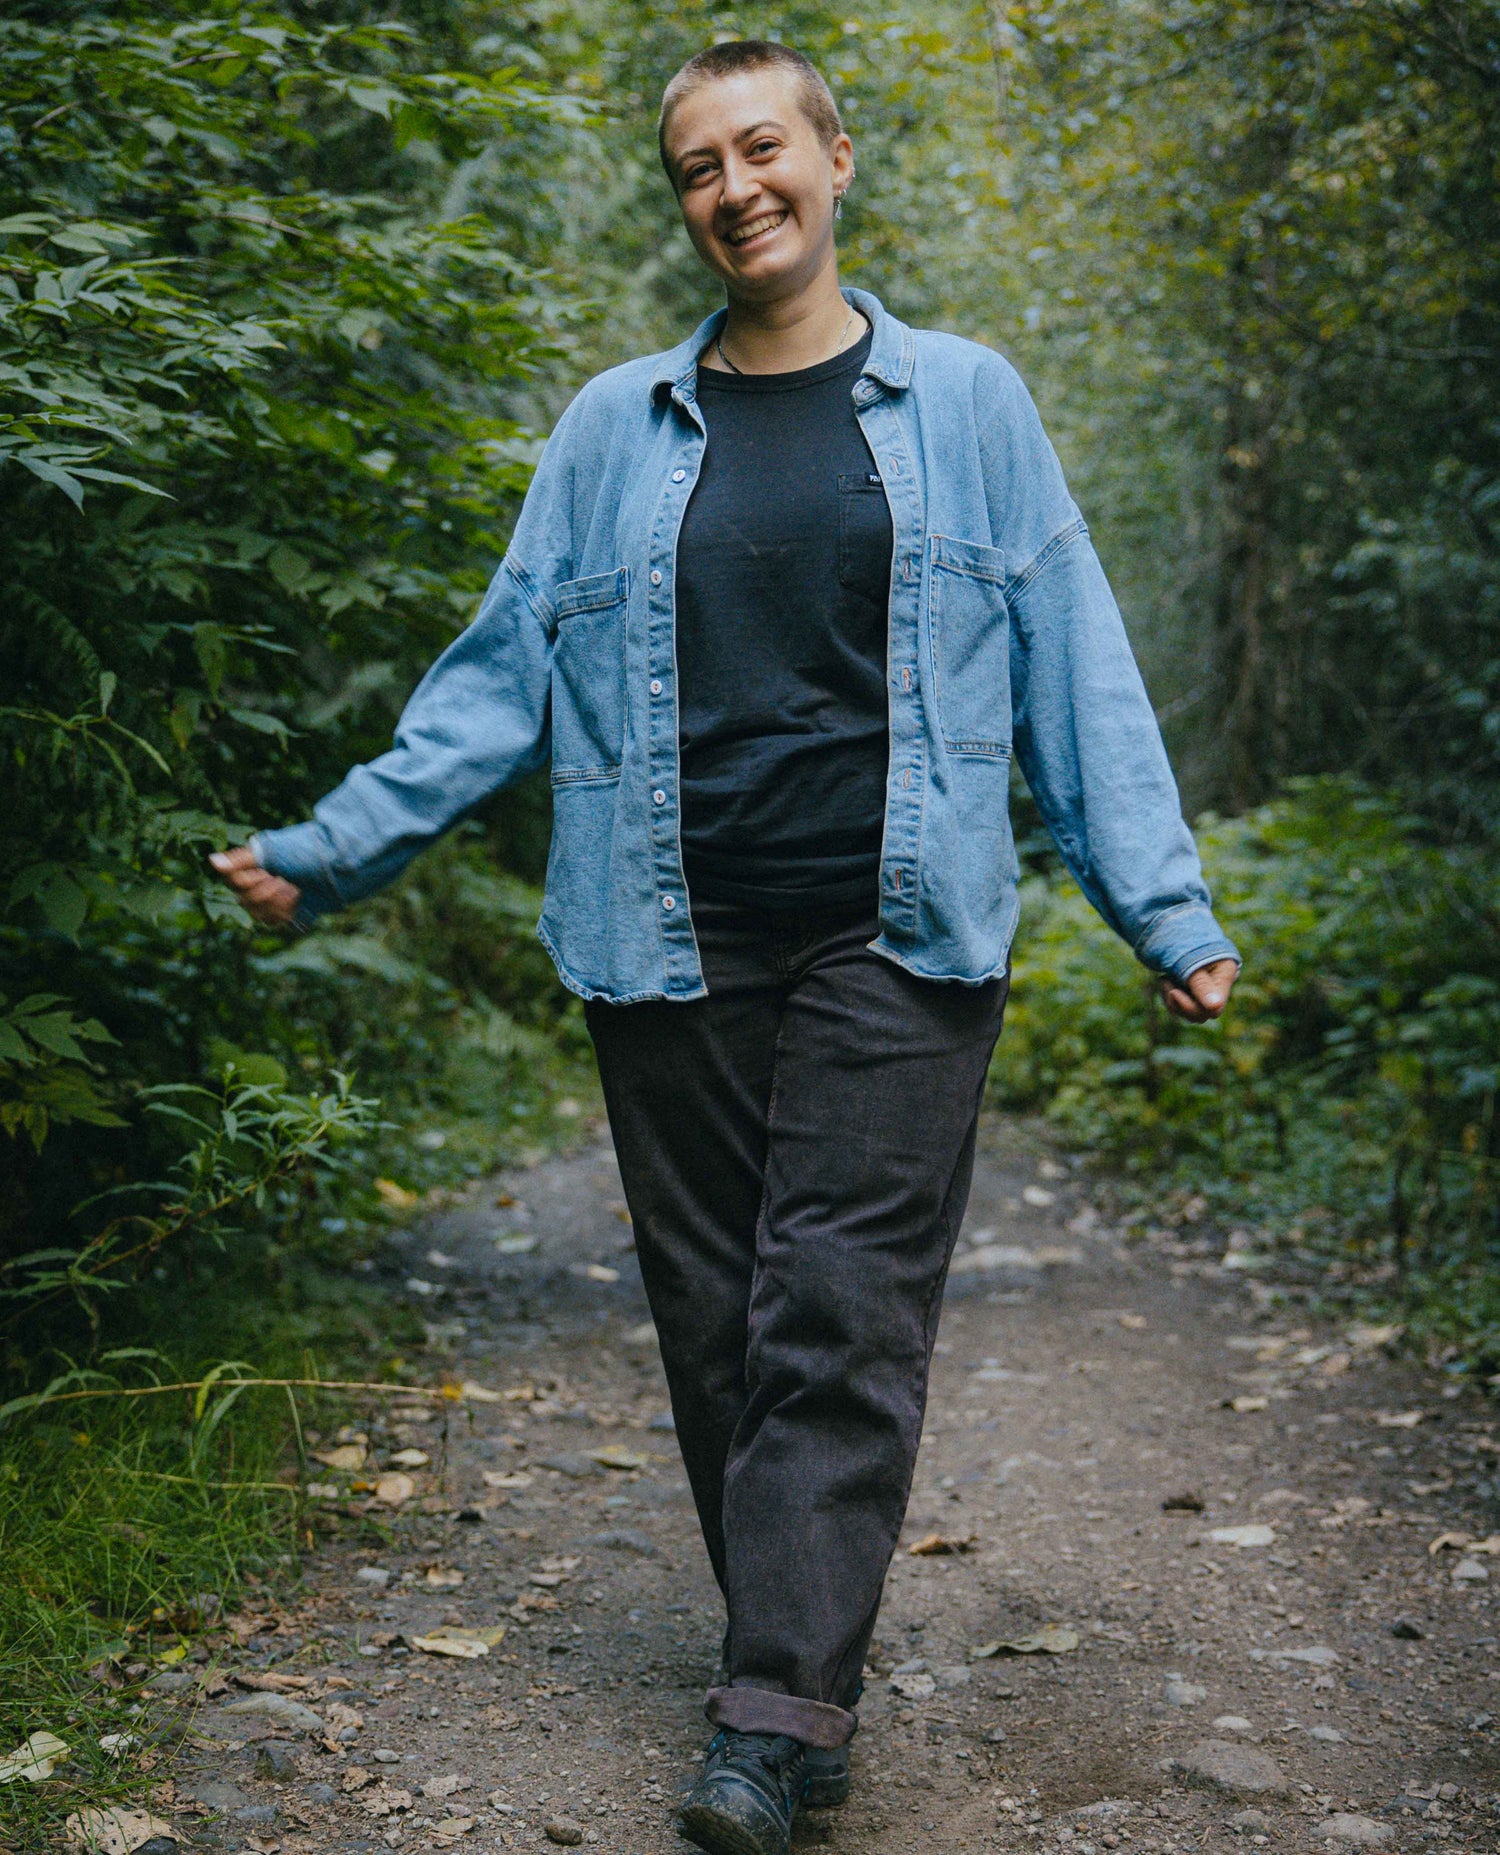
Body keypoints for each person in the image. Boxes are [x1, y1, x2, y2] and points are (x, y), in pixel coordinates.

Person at [212, 39, 1240, 1855]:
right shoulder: (615, 427)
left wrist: (1159, 901)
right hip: (665, 940)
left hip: (900, 935)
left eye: (765, 146)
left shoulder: (970, 404)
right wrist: (335, 849)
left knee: (836, 1308)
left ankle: (766, 1721)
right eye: (698, 165)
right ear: (684, 200)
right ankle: (806, 1669)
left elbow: (1074, 651)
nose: (735, 185)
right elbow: (496, 676)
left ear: (836, 159)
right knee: (717, 1328)